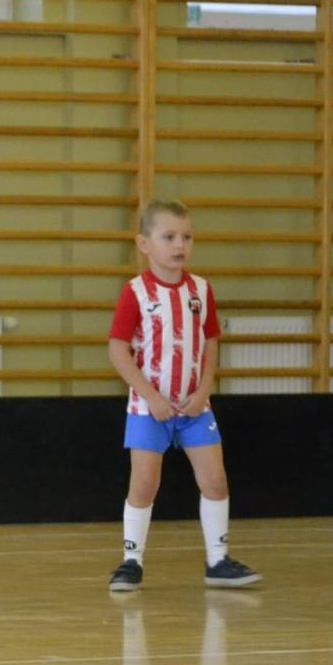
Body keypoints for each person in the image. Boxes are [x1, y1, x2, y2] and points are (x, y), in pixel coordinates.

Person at [106, 198, 261, 592]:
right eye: (169, 236)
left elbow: (210, 343)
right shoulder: (136, 292)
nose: (180, 245)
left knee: (215, 480)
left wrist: (203, 390)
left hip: (194, 408)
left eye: (187, 237)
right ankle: (131, 561)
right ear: (145, 244)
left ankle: (218, 560)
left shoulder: (201, 290)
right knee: (143, 485)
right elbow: (117, 348)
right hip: (148, 408)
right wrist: (151, 396)